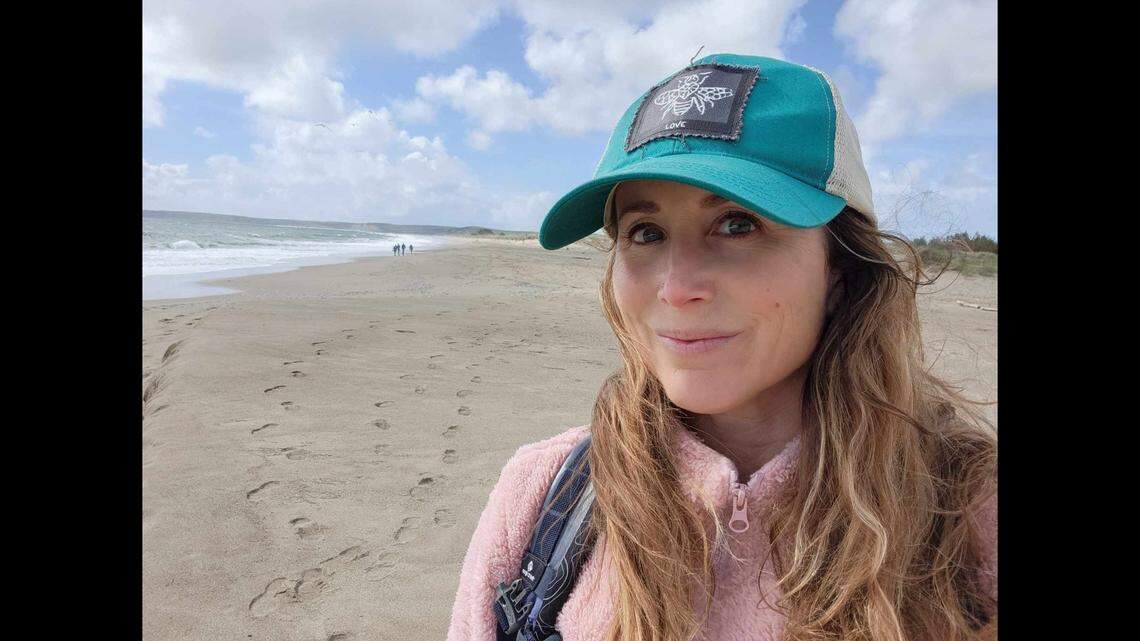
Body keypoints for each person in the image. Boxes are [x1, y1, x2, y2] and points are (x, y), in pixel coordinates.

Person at [446, 53, 997, 641]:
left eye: (738, 224)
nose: (677, 288)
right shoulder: (544, 500)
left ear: (839, 267)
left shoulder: (971, 512)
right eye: (645, 233)